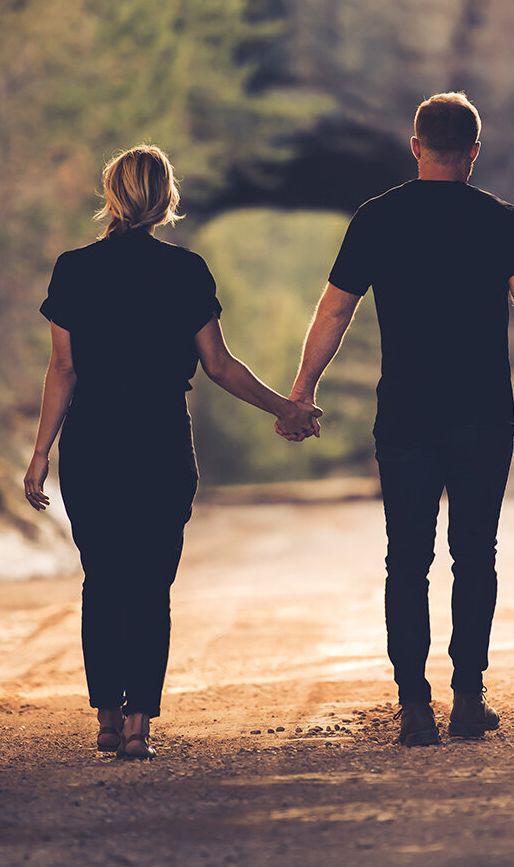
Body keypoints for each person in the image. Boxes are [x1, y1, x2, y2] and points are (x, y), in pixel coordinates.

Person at [287, 92, 514, 747]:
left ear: (415, 146)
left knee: (407, 560)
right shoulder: (502, 221)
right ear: (474, 153)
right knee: (475, 555)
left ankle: (415, 705)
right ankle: (469, 697)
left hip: (406, 416)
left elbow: (335, 312)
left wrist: (304, 388)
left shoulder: (376, 219)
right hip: (482, 413)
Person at [23, 145, 321, 760]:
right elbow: (219, 366)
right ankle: (138, 727)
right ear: (166, 201)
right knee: (150, 583)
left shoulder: (73, 269)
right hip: (160, 439)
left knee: (103, 578)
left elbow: (63, 367)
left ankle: (106, 717)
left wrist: (40, 452)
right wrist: (284, 409)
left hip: (94, 442)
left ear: (111, 196)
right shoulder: (187, 272)